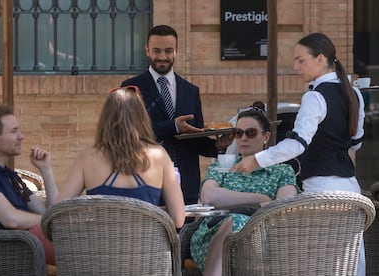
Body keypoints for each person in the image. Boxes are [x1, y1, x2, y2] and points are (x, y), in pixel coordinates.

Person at [231, 32, 366, 275]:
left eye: (301, 60)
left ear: (321, 58)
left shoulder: (314, 96)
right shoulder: (354, 93)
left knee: (320, 263)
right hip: (351, 190)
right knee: (350, 263)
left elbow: (297, 144)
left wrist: (257, 160)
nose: (295, 67)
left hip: (321, 192)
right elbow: (356, 142)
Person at [121, 25, 232, 205]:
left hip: (186, 185)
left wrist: (217, 146)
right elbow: (129, 133)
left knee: (185, 232)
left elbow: (195, 138)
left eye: (168, 51)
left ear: (177, 51)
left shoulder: (191, 91)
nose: (162, 57)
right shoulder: (131, 88)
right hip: (145, 182)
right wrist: (172, 126)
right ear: (147, 50)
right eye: (156, 51)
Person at [190, 103, 298, 276]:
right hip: (212, 233)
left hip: (262, 238)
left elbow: (282, 209)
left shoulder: (281, 170)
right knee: (234, 220)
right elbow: (209, 196)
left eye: (251, 132)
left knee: (237, 220)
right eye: (238, 133)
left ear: (266, 137)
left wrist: (230, 200)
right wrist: (258, 198)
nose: (243, 138)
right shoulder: (223, 164)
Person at [56, 86, 186, 228]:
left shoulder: (88, 157)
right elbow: (178, 219)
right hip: (147, 248)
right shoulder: (159, 155)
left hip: (99, 247)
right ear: (142, 117)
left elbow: (58, 211)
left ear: (106, 119)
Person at [0, 104, 58, 265]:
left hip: (27, 243)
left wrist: (46, 170)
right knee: (82, 250)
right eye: (14, 131)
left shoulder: (9, 174)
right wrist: (48, 220)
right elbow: (11, 219)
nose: (21, 136)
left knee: (85, 246)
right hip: (4, 253)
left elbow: (49, 210)